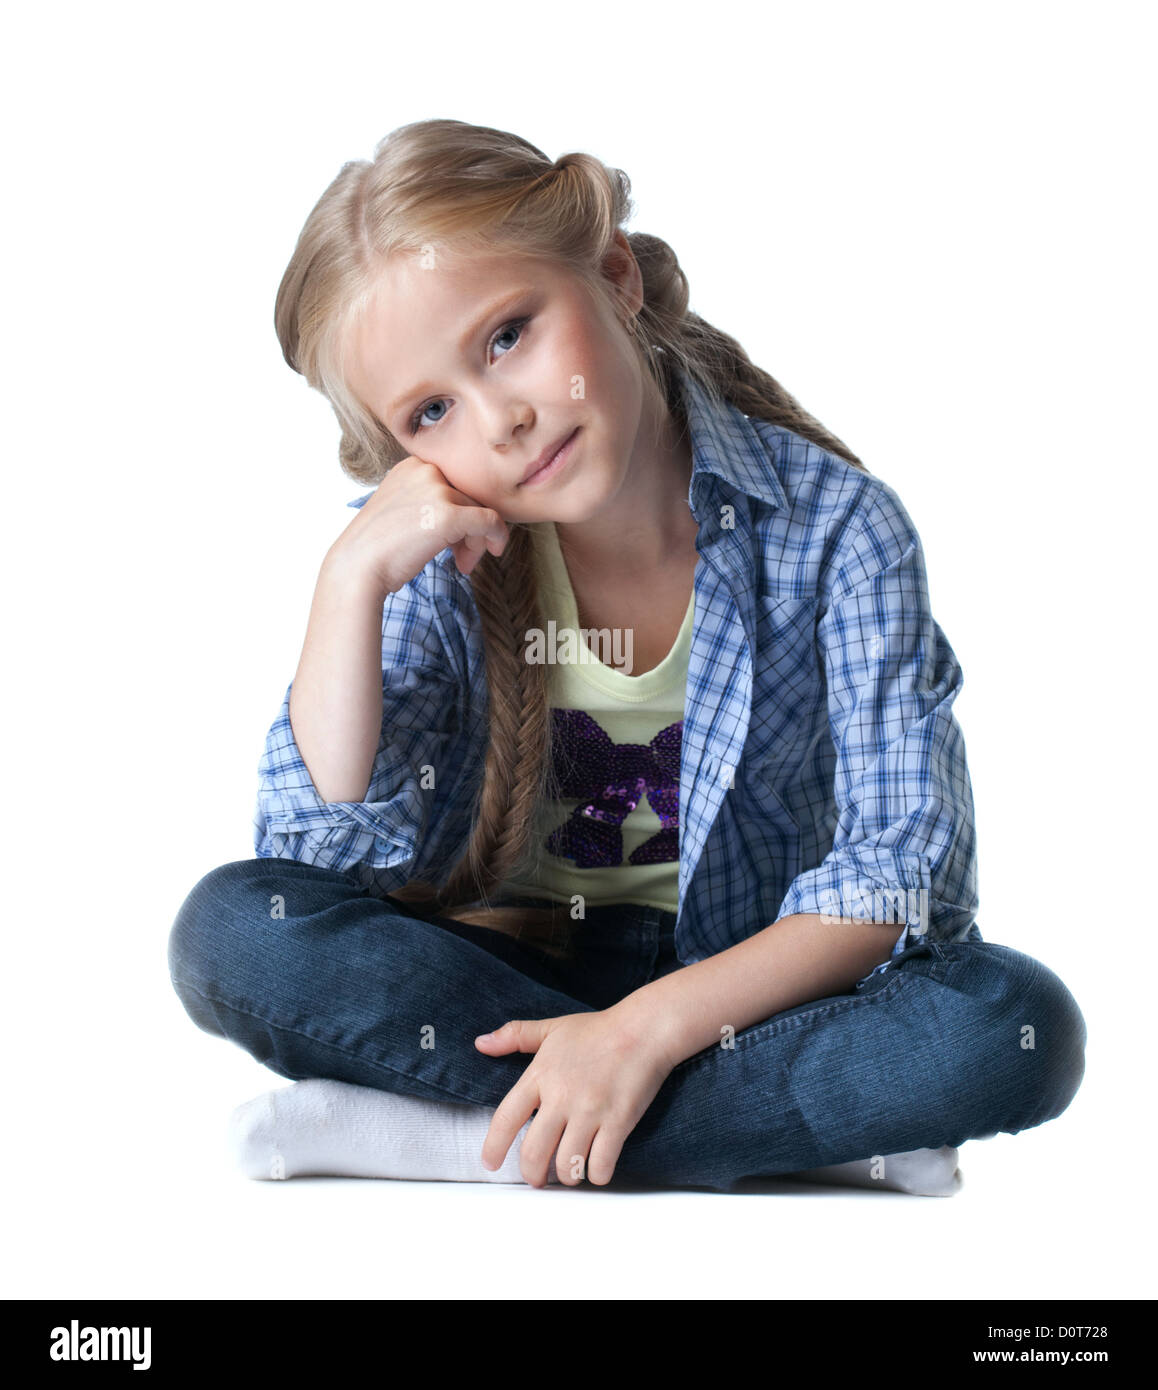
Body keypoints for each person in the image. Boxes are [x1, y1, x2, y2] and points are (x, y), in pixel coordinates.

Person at [167, 118, 1086, 1195]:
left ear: (612, 275)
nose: (500, 419)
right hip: (502, 976)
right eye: (432, 410)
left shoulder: (839, 528)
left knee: (1013, 1024)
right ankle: (754, 1127)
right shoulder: (430, 555)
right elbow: (317, 862)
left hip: (751, 998)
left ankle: (466, 1136)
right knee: (233, 931)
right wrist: (349, 583)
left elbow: (899, 878)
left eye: (508, 335)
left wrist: (649, 1029)